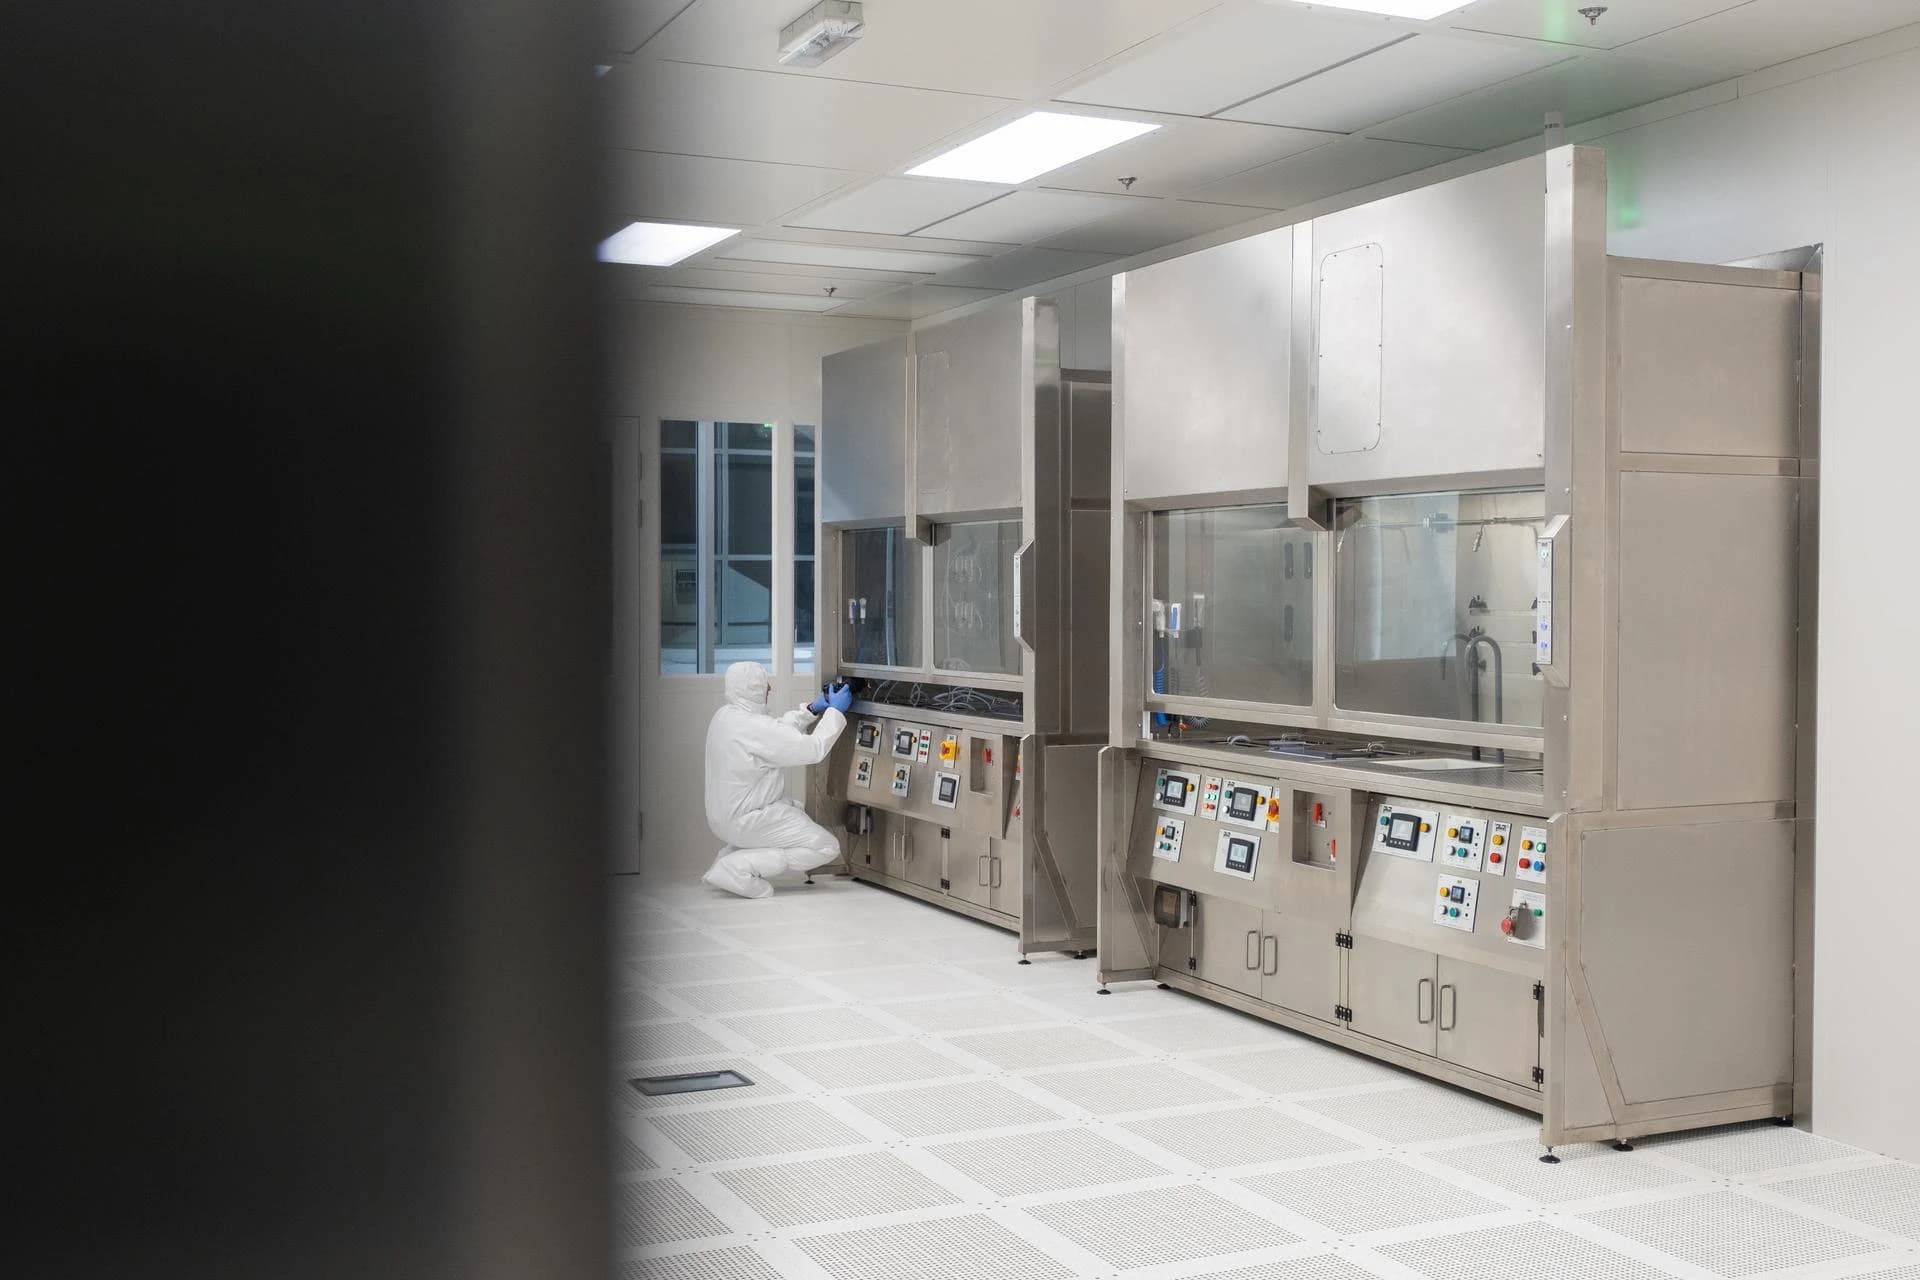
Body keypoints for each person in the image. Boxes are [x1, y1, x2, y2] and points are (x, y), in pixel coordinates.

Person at [701, 661, 853, 899]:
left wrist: (811, 710)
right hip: (747, 819)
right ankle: (736, 867)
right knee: (825, 846)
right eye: (765, 684)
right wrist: (835, 712)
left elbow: (773, 733)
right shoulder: (753, 727)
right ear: (754, 689)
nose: (769, 688)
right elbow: (812, 749)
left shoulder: (725, 716)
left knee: (796, 810)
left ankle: (728, 856)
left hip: (723, 818)